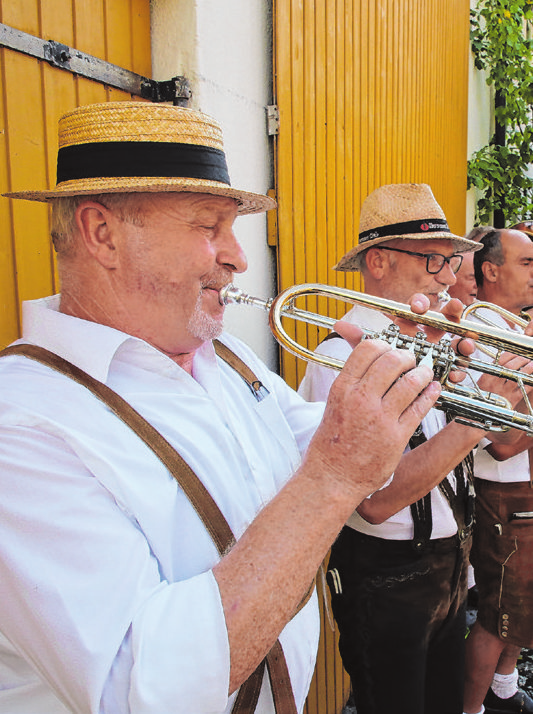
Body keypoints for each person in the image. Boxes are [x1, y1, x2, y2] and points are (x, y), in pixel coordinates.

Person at [0, 102, 447, 714]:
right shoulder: (18, 421)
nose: (237, 256)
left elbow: (324, 442)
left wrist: (433, 379)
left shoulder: (222, 354)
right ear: (101, 233)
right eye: (209, 227)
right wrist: (336, 473)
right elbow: (139, 690)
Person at [298, 184, 533, 714]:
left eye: (450, 262)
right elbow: (374, 502)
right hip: (387, 575)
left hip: (449, 563)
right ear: (377, 262)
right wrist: (477, 415)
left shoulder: (438, 342)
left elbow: (494, 444)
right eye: (434, 261)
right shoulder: (341, 356)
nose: (451, 277)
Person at [463, 228, 533, 714]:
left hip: (524, 491)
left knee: (524, 608)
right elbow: (505, 444)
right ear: (491, 270)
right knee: (497, 615)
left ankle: (504, 690)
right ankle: (471, 708)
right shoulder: (478, 332)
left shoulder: (514, 327)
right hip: (505, 494)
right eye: (527, 263)